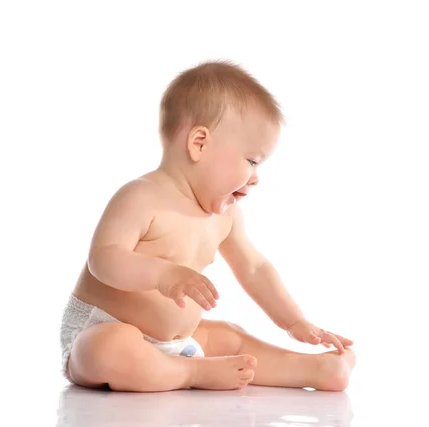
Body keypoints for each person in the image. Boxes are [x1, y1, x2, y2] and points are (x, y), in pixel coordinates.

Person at [60, 60, 355, 393]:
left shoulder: (224, 217)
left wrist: (295, 322)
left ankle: (318, 368)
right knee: (108, 347)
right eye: (252, 161)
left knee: (228, 335)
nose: (256, 178)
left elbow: (255, 269)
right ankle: (193, 374)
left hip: (179, 342)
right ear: (199, 142)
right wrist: (163, 275)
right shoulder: (141, 197)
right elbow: (104, 259)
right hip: (102, 330)